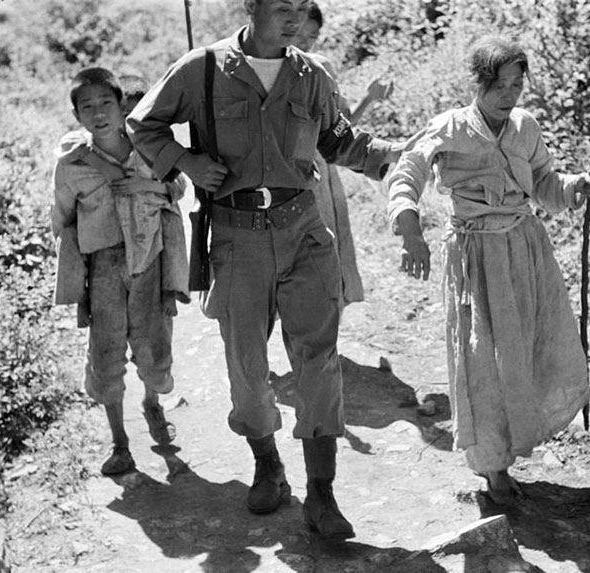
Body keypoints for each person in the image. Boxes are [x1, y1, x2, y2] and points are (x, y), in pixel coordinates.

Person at [127, 0, 401, 540]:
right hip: (236, 236)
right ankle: (267, 464)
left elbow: (337, 139)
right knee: (247, 369)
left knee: (318, 362)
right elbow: (144, 125)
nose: (294, 18)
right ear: (251, 7)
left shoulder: (312, 73)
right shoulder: (201, 69)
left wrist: (397, 155)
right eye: (281, 7)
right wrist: (186, 162)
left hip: (305, 230)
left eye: (302, 8)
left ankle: (322, 496)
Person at [387, 35, 590, 505]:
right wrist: (409, 227)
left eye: (517, 84)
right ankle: (493, 467)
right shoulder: (449, 129)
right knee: (480, 356)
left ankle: (520, 434)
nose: (510, 95)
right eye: (500, 85)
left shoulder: (525, 127)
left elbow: (545, 183)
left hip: (526, 250)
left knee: (528, 348)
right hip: (475, 257)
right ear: (478, 84)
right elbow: (407, 173)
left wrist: (576, 187)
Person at [50, 67, 189, 476]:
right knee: (107, 356)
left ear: (123, 107)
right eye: (87, 107)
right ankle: (120, 443)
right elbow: (61, 216)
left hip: (149, 262)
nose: (98, 114)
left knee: (153, 350)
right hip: (104, 269)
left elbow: (179, 186)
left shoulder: (147, 149)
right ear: (77, 115)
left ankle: (152, 401)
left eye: (106, 104)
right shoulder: (73, 162)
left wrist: (147, 187)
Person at [293, 2, 394, 307]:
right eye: (299, 34)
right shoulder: (269, 67)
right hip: (292, 180)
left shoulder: (320, 66)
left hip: (324, 175)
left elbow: (341, 130)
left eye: (312, 37)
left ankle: (329, 336)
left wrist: (370, 98)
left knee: (332, 251)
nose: (305, 43)